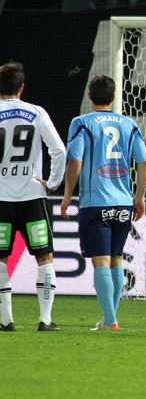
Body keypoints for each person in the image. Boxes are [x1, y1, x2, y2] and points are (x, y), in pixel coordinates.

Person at [61, 75, 146, 332]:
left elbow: (75, 160)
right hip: (123, 204)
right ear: (113, 97)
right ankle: (109, 317)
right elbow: (143, 162)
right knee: (116, 260)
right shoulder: (129, 124)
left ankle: (110, 320)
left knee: (101, 262)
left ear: (89, 96)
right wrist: (139, 196)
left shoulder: (81, 123)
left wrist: (68, 194)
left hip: (95, 203)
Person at [0, 62, 66, 332]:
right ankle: (45, 320)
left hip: (1, 200)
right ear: (22, 87)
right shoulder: (36, 112)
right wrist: (52, 183)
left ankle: (6, 321)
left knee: (0, 258)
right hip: (33, 198)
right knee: (45, 257)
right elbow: (59, 150)